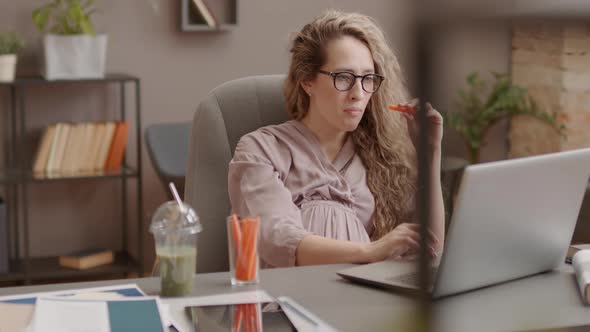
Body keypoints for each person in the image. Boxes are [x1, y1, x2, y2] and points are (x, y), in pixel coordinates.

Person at [228, 10, 445, 268]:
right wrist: (372, 250)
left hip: (366, 301)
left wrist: (430, 153)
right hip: (287, 303)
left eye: (368, 78)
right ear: (307, 80)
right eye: (343, 77)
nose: (358, 94)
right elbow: (278, 239)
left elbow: (429, 248)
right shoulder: (260, 149)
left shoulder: (383, 156)